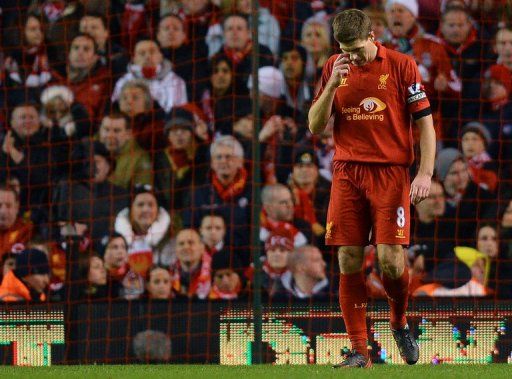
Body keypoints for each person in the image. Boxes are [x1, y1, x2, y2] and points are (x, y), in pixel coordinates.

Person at [308, 9, 436, 367]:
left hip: (391, 174)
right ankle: (359, 351)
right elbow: (315, 125)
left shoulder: (401, 65)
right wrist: (332, 84)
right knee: (347, 257)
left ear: (372, 37)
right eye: (345, 49)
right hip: (347, 172)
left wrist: (424, 174)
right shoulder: (335, 66)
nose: (352, 57)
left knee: (390, 262)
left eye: (357, 49)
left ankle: (398, 321)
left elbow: (425, 124)